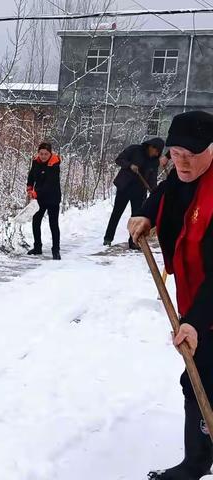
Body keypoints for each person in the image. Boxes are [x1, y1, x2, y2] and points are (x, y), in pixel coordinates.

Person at [128, 111, 213, 480]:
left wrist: (194, 321)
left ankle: (196, 464)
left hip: (208, 301)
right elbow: (166, 192)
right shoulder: (182, 177)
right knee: (197, 375)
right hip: (195, 298)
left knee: (206, 374)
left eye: (191, 153)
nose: (182, 161)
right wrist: (146, 215)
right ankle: (195, 463)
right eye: (176, 152)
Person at [104, 137, 165, 249]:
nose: (156, 154)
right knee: (117, 213)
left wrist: (154, 192)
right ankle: (108, 238)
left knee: (137, 216)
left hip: (140, 191)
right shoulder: (134, 149)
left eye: (158, 153)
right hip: (125, 187)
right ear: (151, 146)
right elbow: (119, 159)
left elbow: (152, 178)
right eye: (155, 151)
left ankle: (133, 242)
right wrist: (130, 165)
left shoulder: (154, 161)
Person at [26, 141, 61, 260]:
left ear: (50, 154)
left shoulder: (54, 165)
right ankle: (37, 247)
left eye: (46, 154)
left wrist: (37, 192)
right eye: (41, 153)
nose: (43, 156)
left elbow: (49, 184)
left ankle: (56, 250)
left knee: (53, 223)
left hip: (53, 198)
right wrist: (29, 187)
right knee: (36, 221)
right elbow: (31, 175)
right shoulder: (36, 162)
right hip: (39, 198)